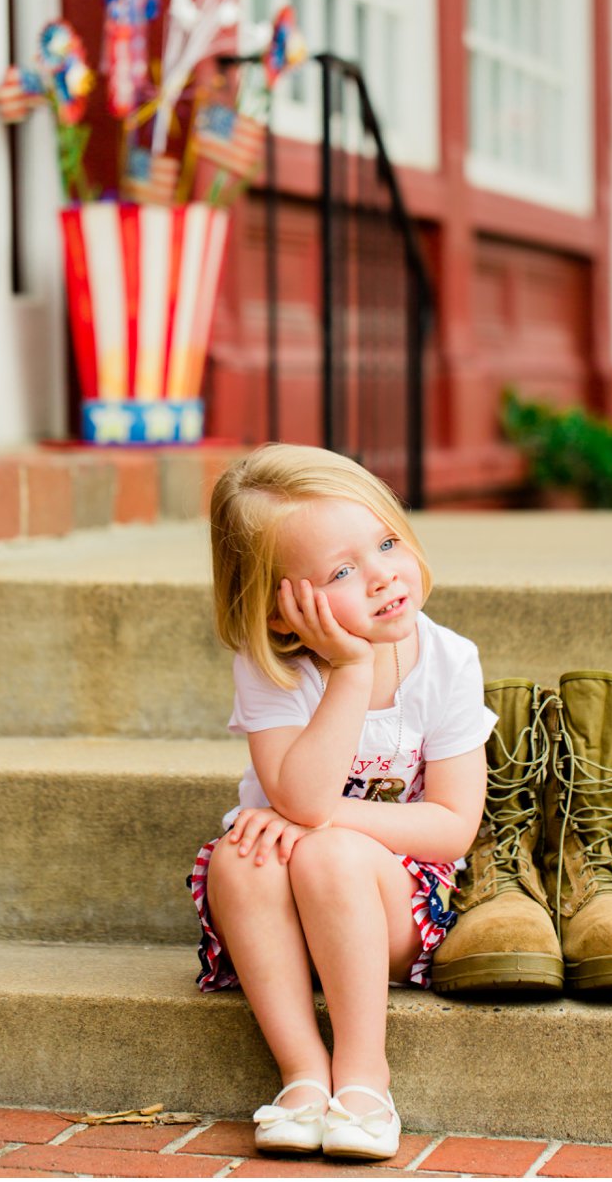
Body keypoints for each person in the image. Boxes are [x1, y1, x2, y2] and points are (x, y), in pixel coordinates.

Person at [188, 443, 493, 1161]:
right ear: (284, 612)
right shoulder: (273, 667)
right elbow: (297, 793)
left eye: (386, 540)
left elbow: (450, 827)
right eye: (343, 570)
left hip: (395, 898)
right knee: (239, 858)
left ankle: (363, 1073)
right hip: (280, 905)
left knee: (320, 846)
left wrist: (322, 821)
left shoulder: (446, 660)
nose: (384, 573)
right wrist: (350, 670)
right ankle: (302, 1072)